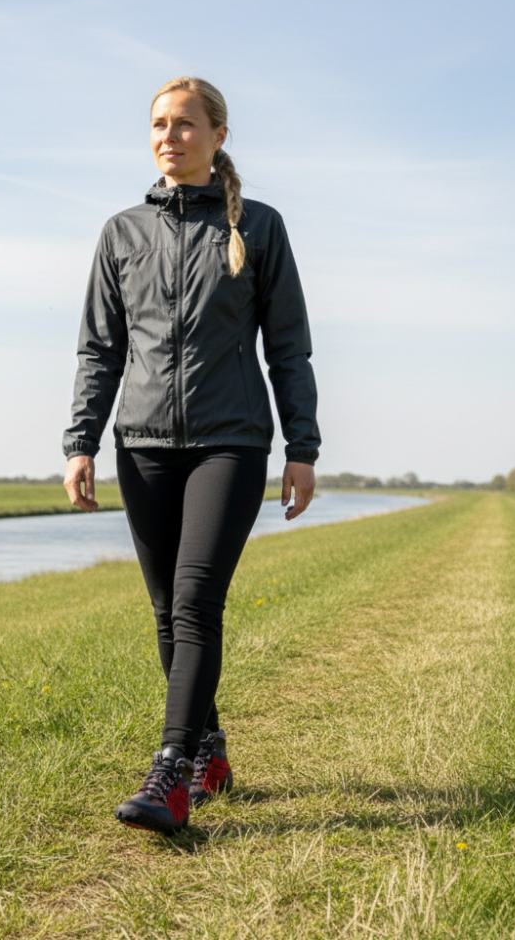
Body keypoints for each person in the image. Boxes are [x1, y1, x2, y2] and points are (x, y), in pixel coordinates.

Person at [61, 75, 321, 836]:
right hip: (142, 444)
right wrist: (81, 442)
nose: (168, 137)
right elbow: (100, 350)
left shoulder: (259, 227)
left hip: (230, 441)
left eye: (183, 124)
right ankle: (209, 753)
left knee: (196, 600)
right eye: (157, 125)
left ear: (217, 136)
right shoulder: (122, 233)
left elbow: (289, 346)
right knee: (166, 614)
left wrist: (302, 447)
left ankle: (170, 773)